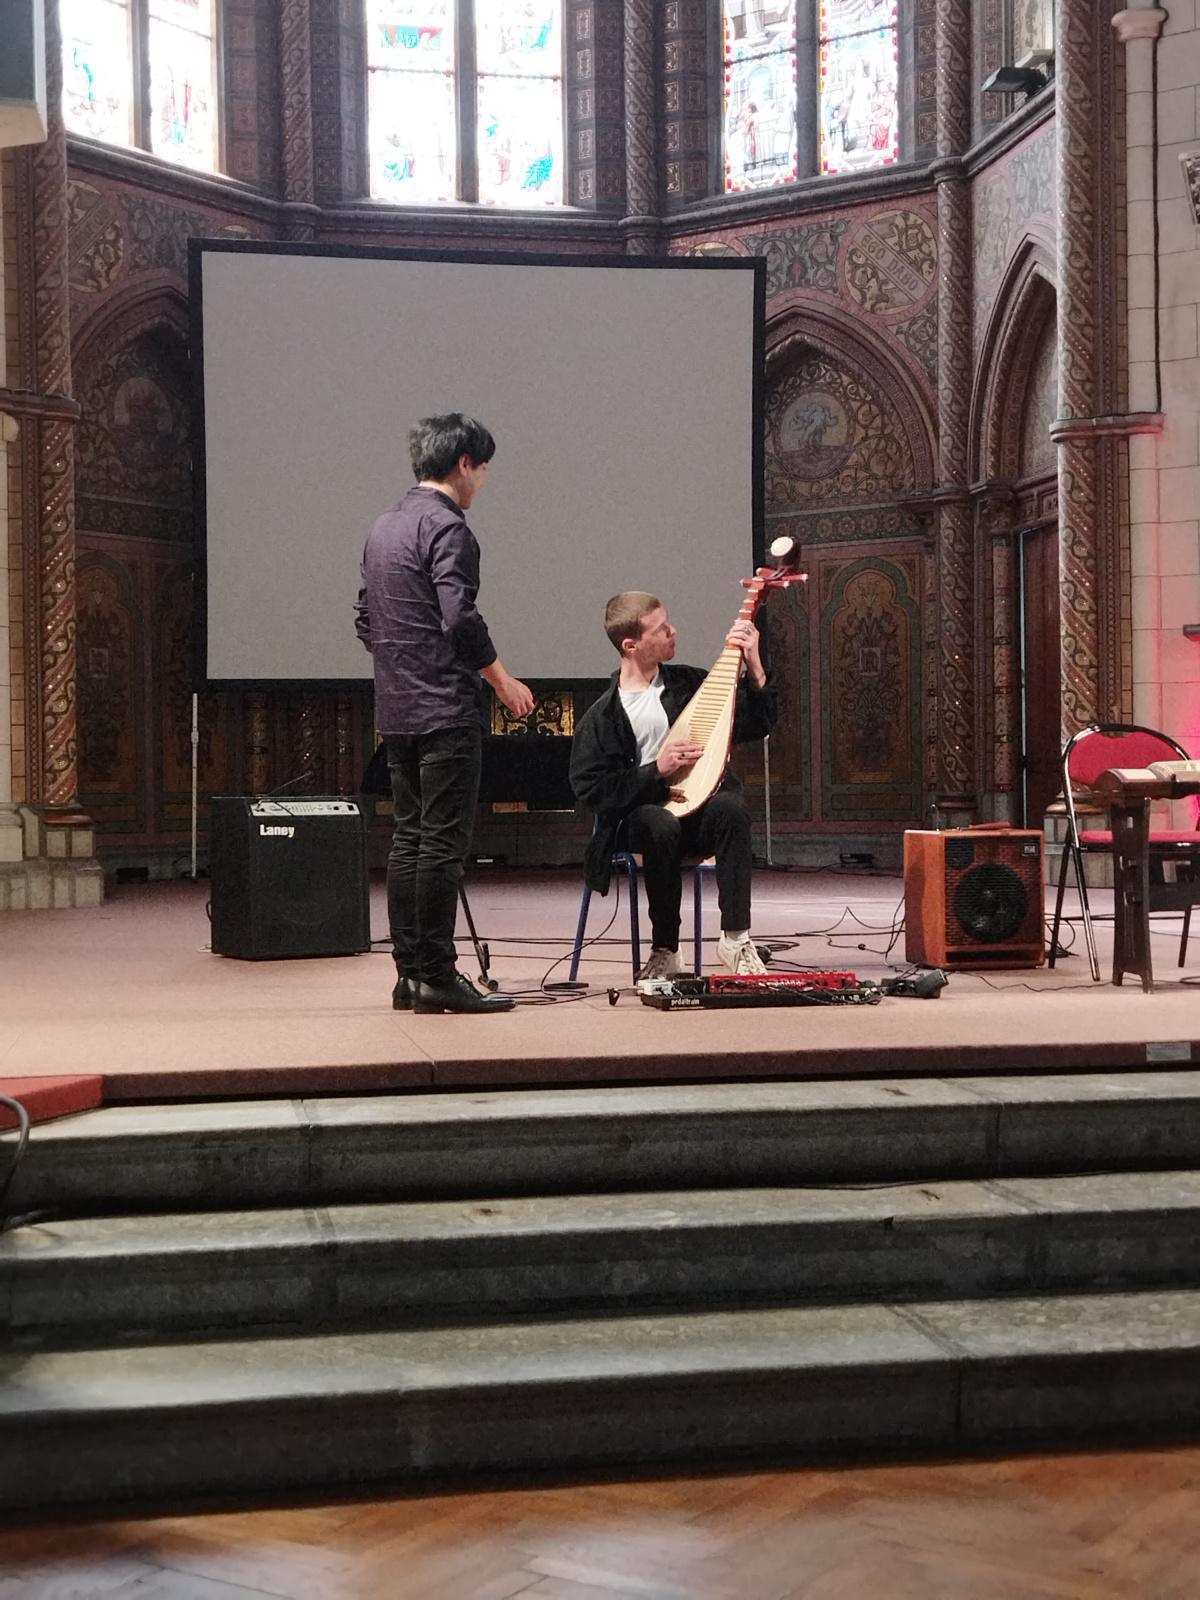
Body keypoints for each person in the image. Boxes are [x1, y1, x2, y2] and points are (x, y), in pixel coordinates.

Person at [355, 414, 534, 1014]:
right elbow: (459, 619)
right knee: (442, 847)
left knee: (409, 840)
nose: (483, 481)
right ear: (464, 463)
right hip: (445, 710)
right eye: (483, 469)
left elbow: (365, 618)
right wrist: (502, 680)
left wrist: (405, 660)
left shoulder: (384, 526)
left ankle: (409, 976)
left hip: (396, 708)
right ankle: (436, 974)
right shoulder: (448, 528)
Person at [569, 591, 777, 980]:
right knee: (658, 823)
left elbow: (755, 724)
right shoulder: (602, 717)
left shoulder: (689, 685)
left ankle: (736, 940)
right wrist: (655, 771)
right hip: (639, 823)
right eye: (660, 628)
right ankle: (665, 949)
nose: (672, 631)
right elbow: (591, 789)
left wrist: (756, 668)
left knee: (731, 810)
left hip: (695, 812)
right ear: (630, 645)